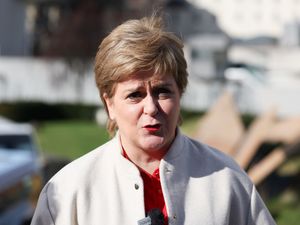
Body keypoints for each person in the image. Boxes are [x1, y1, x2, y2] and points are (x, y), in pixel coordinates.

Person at [31, 15, 276, 225]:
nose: (151, 107)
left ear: (180, 94)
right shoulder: (67, 191)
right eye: (135, 95)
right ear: (110, 104)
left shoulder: (226, 180)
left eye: (163, 91)